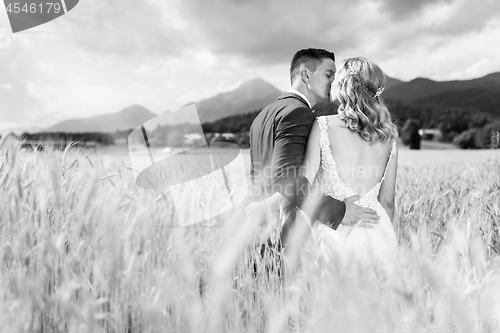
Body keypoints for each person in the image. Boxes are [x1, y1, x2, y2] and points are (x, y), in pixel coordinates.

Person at [247, 49, 380, 277]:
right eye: (329, 74)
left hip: (262, 230)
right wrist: (338, 211)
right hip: (288, 232)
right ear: (306, 75)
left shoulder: (265, 114)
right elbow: (286, 178)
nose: (334, 81)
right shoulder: (298, 112)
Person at [301, 57, 399, 273]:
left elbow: (303, 185)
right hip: (378, 233)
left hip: (333, 233)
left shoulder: (323, 126)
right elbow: (388, 202)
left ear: (343, 86)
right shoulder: (389, 137)